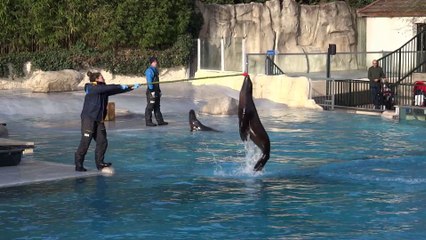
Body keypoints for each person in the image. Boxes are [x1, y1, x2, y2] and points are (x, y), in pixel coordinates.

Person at [75, 71, 139, 172]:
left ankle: (100, 163)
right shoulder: (91, 87)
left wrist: (129, 88)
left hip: (99, 120)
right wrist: (120, 86)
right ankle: (78, 164)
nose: (104, 78)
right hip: (89, 119)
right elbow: (109, 87)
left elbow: (114, 90)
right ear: (96, 79)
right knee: (85, 143)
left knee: (102, 141)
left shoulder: (103, 89)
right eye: (102, 77)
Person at [145, 57, 168, 126]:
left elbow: (157, 82)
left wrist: (159, 91)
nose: (156, 63)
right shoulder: (149, 71)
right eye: (155, 62)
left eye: (156, 62)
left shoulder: (155, 70)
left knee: (157, 106)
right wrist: (152, 91)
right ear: (152, 63)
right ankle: (148, 122)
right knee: (150, 106)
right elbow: (149, 82)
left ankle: (160, 121)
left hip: (156, 91)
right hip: (151, 92)